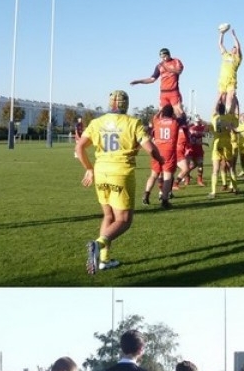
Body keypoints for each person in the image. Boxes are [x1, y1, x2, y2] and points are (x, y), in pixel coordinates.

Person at [76, 90, 163, 276]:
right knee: (123, 220)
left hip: (101, 172)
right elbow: (151, 149)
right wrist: (160, 159)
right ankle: (98, 245)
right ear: (126, 104)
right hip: (121, 173)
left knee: (108, 216)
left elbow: (79, 147)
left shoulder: (96, 123)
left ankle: (104, 261)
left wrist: (89, 168)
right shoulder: (133, 123)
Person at [141, 104, 178, 209]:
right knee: (167, 177)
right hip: (169, 152)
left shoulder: (157, 121)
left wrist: (159, 110)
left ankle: (146, 195)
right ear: (172, 113)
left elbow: (155, 117)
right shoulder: (175, 122)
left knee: (153, 175)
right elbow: (182, 117)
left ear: (162, 113)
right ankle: (164, 200)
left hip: (157, 150)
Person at [130, 48, 184, 117]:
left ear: (169, 54)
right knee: (161, 114)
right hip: (163, 93)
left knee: (178, 112)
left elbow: (179, 71)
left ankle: (182, 126)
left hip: (173, 92)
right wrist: (139, 81)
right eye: (162, 57)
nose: (164, 59)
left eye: (165, 56)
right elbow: (152, 79)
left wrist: (167, 67)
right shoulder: (159, 66)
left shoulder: (176, 61)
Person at [208, 101, 238, 199]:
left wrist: (218, 98)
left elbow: (208, 129)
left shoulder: (214, 118)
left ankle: (213, 192)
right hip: (227, 143)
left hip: (217, 144)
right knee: (231, 167)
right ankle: (235, 188)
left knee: (215, 169)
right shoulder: (228, 118)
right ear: (224, 110)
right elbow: (232, 129)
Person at [216, 27, 242, 114]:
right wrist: (222, 33)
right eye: (233, 47)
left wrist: (234, 36)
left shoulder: (237, 58)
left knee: (230, 96)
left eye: (235, 48)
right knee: (222, 98)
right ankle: (222, 114)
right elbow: (220, 44)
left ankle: (228, 113)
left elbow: (238, 47)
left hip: (231, 80)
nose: (234, 48)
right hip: (222, 80)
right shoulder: (226, 55)